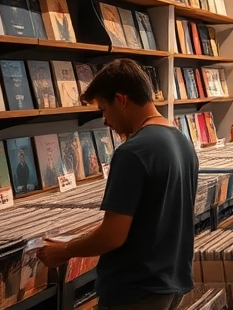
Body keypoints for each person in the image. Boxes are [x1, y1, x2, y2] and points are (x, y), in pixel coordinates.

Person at [37, 59, 198, 310]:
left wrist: (65, 250)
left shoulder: (133, 152)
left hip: (136, 292)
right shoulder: (182, 142)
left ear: (121, 100)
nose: (104, 120)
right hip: (171, 283)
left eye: (103, 108)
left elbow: (113, 235)